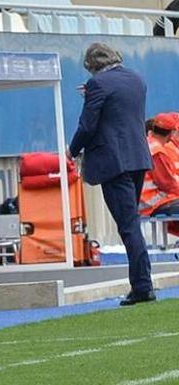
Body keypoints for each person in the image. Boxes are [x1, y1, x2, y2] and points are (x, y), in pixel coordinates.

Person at [67, 42, 154, 306]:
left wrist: (73, 150)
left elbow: (88, 123)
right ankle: (142, 283)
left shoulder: (98, 85)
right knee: (131, 222)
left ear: (93, 65)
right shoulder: (136, 79)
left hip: (113, 161)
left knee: (128, 225)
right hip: (138, 156)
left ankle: (142, 286)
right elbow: (119, 111)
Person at [139, 113, 179, 224]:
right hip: (153, 203)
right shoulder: (158, 152)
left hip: (144, 202)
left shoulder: (147, 144)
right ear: (171, 134)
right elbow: (168, 184)